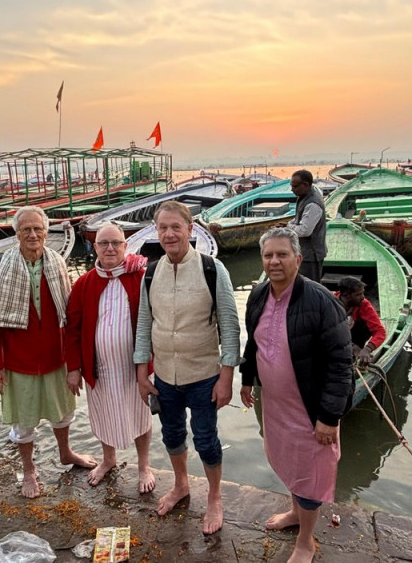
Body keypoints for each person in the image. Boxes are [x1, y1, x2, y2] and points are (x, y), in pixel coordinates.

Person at [240, 228, 353, 563]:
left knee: (310, 473)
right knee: (290, 464)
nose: (274, 261)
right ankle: (294, 513)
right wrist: (247, 380)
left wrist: (329, 417)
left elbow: (340, 363)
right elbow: (253, 343)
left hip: (309, 408)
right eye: (268, 255)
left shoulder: (321, 302)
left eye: (282, 254)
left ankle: (306, 541)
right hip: (276, 405)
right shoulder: (258, 295)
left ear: (298, 259)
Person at [133, 201, 241, 535]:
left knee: (207, 440)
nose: (169, 234)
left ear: (190, 230)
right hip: (165, 375)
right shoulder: (151, 273)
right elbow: (144, 325)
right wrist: (141, 371)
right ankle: (181, 484)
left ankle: (214, 495)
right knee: (172, 434)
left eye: (175, 227)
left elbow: (229, 326)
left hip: (204, 375)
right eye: (162, 228)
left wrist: (227, 376)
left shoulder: (212, 269)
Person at [0, 206, 96, 498]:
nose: (32, 234)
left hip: (55, 358)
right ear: (16, 233)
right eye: (25, 229)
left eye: (38, 229)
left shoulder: (58, 264)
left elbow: (71, 319)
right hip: (18, 361)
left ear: (47, 232)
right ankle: (29, 469)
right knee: (24, 422)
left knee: (63, 414)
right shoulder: (0, 269)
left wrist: (74, 365)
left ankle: (66, 453)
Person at [65, 223, 155, 493]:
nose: (110, 248)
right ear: (95, 247)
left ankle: (143, 465)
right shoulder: (83, 283)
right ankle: (108, 459)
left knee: (141, 414)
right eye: (104, 243)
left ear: (126, 246)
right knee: (103, 414)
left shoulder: (140, 275)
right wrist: (73, 368)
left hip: (135, 367)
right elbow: (72, 327)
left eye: (116, 242)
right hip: (99, 366)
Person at [334, 277, 387, 365]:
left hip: (352, 335)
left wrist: (368, 349)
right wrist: (351, 347)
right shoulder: (329, 302)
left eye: (363, 293)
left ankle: (356, 356)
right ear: (346, 295)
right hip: (332, 337)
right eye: (358, 294)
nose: (363, 297)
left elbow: (379, 331)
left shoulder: (363, 304)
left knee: (363, 325)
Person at [285, 170, 327, 282]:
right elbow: (299, 219)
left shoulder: (313, 203)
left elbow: (304, 231)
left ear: (306, 185)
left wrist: (288, 227)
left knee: (310, 286)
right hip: (304, 252)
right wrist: (289, 224)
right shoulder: (304, 196)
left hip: (311, 255)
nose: (292, 189)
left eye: (295, 186)